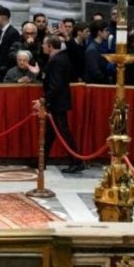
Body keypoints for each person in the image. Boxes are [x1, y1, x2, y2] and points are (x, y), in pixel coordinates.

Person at [34, 36, 85, 173]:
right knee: (50, 133)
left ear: (50, 46)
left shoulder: (57, 60)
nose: (42, 47)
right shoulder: (58, 58)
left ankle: (77, 161)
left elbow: (55, 85)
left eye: (44, 45)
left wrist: (43, 100)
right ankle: (42, 160)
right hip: (56, 102)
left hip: (58, 102)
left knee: (63, 132)